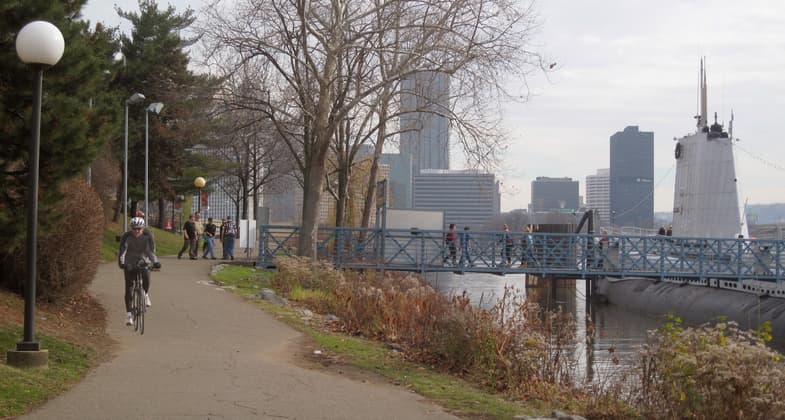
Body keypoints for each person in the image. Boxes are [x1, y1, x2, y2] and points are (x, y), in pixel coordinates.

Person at [118, 217, 161, 326]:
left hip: (143, 258)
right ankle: (129, 315)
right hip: (129, 260)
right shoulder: (126, 236)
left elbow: (151, 251)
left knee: (146, 275)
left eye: (139, 229)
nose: (137, 231)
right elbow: (122, 251)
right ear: (131, 228)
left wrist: (155, 262)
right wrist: (122, 263)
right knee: (129, 286)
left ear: (143, 228)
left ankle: (145, 294)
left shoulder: (148, 235)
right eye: (134, 229)